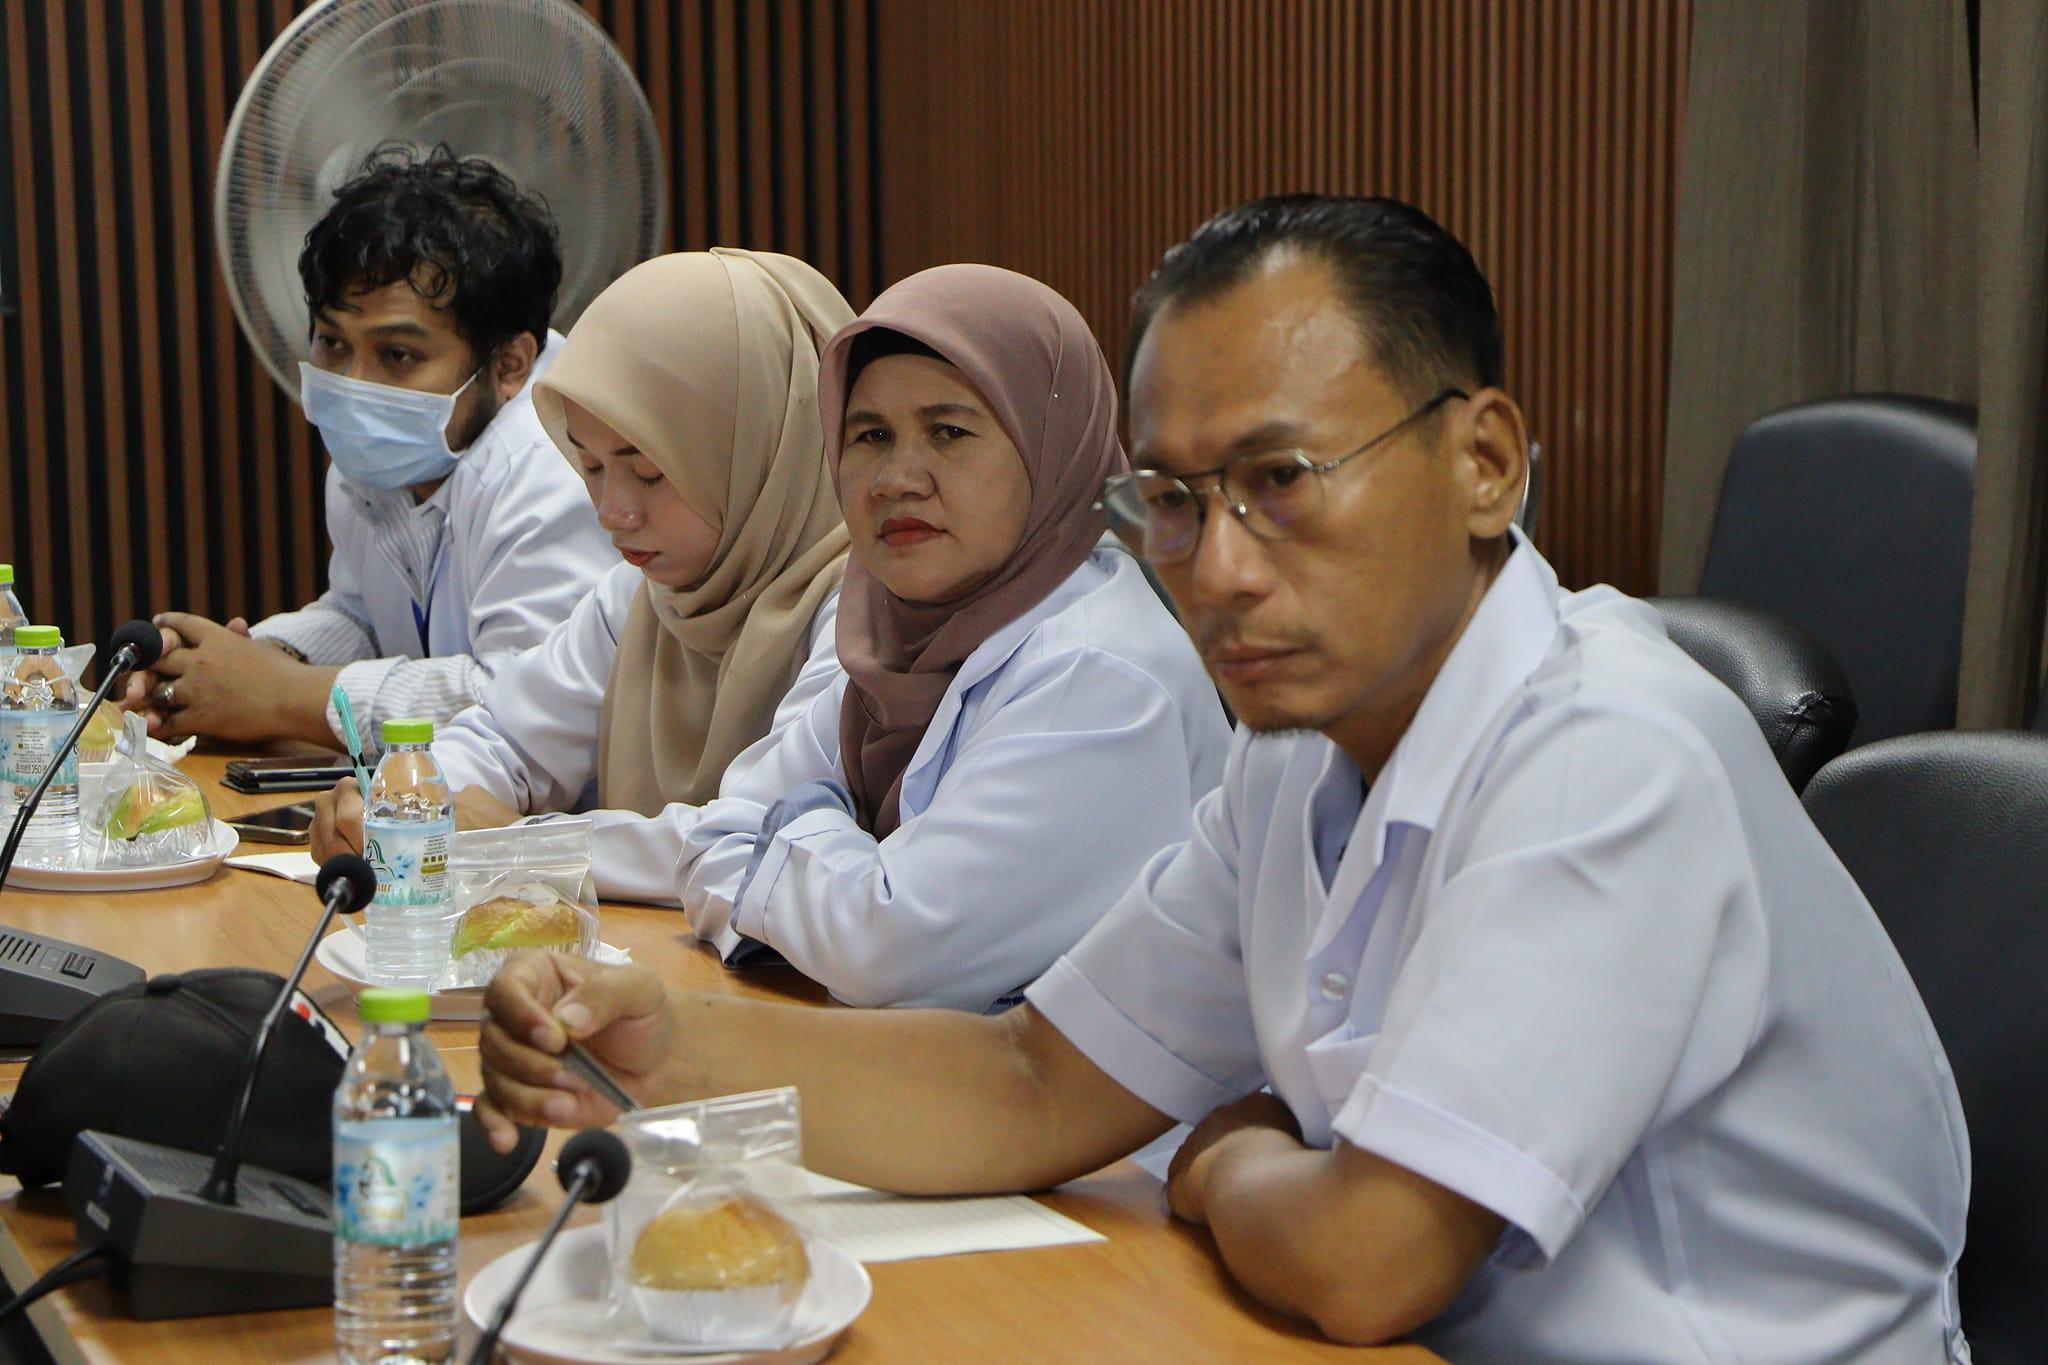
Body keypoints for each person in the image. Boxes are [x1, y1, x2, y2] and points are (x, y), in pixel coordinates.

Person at [474, 197, 1970, 1360]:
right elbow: (1030, 1082)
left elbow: (1368, 1260)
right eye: (1176, 501)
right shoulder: (1298, 750)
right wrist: (666, 1041)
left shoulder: (1607, 756)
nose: (1221, 570)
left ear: (1486, 461)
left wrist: (1226, 1164)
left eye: (1280, 481)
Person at [673, 264, 1231, 1010]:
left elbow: (888, 951)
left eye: (949, 432)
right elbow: (712, 839)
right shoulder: (895, 640)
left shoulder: (1101, 674)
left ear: (1051, 447)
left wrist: (800, 822)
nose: (897, 478)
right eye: (871, 435)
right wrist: (828, 873)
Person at [309, 249, 854, 905]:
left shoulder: (863, 615)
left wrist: (524, 844)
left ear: (758, 446)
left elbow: (755, 841)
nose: (612, 511)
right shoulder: (642, 599)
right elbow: (507, 741)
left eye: (649, 471)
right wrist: (409, 794)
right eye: (591, 467)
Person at [125, 147, 613, 752]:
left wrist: (281, 694)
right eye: (332, 343)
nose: (354, 386)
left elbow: (525, 703)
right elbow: (363, 617)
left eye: (398, 355)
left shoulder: (562, 467)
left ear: (509, 364)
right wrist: (240, 662)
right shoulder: (387, 451)